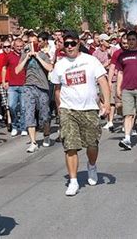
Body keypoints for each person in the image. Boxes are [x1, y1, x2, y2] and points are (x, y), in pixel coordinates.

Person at [51, 30, 110, 196]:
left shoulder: (90, 60)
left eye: (72, 43)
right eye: (66, 44)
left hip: (89, 108)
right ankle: (73, 180)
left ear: (78, 43)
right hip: (68, 110)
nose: (69, 47)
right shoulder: (60, 65)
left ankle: (92, 165)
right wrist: (60, 108)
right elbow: (57, 89)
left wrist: (107, 103)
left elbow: (102, 81)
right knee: (70, 146)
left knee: (92, 144)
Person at [15, 34, 53, 153]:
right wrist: (26, 57)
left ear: (39, 43)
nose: (31, 44)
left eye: (34, 42)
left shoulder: (44, 55)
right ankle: (33, 142)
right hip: (28, 87)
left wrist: (38, 57)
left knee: (44, 115)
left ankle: (46, 135)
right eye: (30, 42)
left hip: (42, 87)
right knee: (29, 113)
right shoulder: (23, 55)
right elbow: (17, 70)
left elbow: (50, 68)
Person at [2, 38, 28, 137]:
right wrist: (4, 81)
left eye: (21, 46)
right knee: (12, 106)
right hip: (12, 85)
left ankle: (23, 127)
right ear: (13, 46)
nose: (19, 48)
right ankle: (14, 126)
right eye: (17, 46)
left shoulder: (25, 56)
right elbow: (4, 68)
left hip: (23, 84)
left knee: (23, 108)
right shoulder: (9, 56)